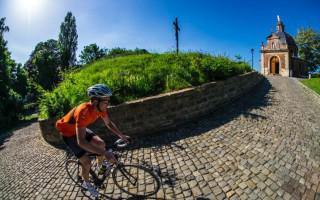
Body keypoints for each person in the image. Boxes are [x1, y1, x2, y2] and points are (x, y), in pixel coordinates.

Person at [56, 84, 129, 197]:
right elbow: (81, 142)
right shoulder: (83, 112)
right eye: (106, 101)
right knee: (86, 162)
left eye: (108, 101)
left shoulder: (100, 108)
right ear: (95, 101)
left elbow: (108, 123)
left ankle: (100, 166)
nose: (108, 104)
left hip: (80, 128)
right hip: (68, 134)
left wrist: (121, 135)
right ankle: (86, 184)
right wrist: (105, 153)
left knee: (101, 144)